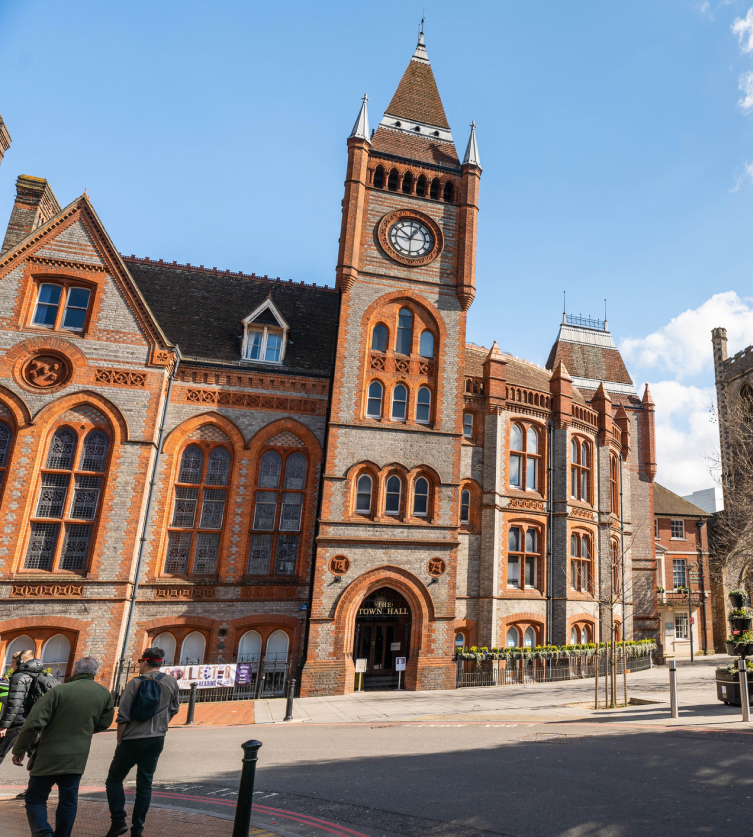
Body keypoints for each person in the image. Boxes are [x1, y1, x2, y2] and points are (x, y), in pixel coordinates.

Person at [11, 656, 114, 837]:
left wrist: (19, 750)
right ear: (95, 673)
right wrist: (84, 729)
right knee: (68, 801)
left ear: (74, 670)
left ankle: (44, 833)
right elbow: (104, 723)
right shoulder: (104, 693)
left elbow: (33, 723)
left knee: (35, 799)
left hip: (48, 757)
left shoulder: (60, 691)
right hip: (77, 757)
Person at [105, 647, 179, 837]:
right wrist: (160, 725)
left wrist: (119, 739)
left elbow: (123, 716)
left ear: (145, 662)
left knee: (114, 779)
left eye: (140, 661)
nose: (139, 665)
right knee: (144, 785)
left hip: (132, 739)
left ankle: (118, 821)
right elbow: (174, 709)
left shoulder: (135, 683)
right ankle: (137, 830)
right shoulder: (171, 681)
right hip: (156, 739)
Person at [0, 650, 43, 766]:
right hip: (34, 722)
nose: (11, 665)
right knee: (36, 756)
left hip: (17, 722)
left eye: (13, 662)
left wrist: (4, 726)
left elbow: (14, 703)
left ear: (20, 662)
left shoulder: (19, 677)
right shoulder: (40, 676)